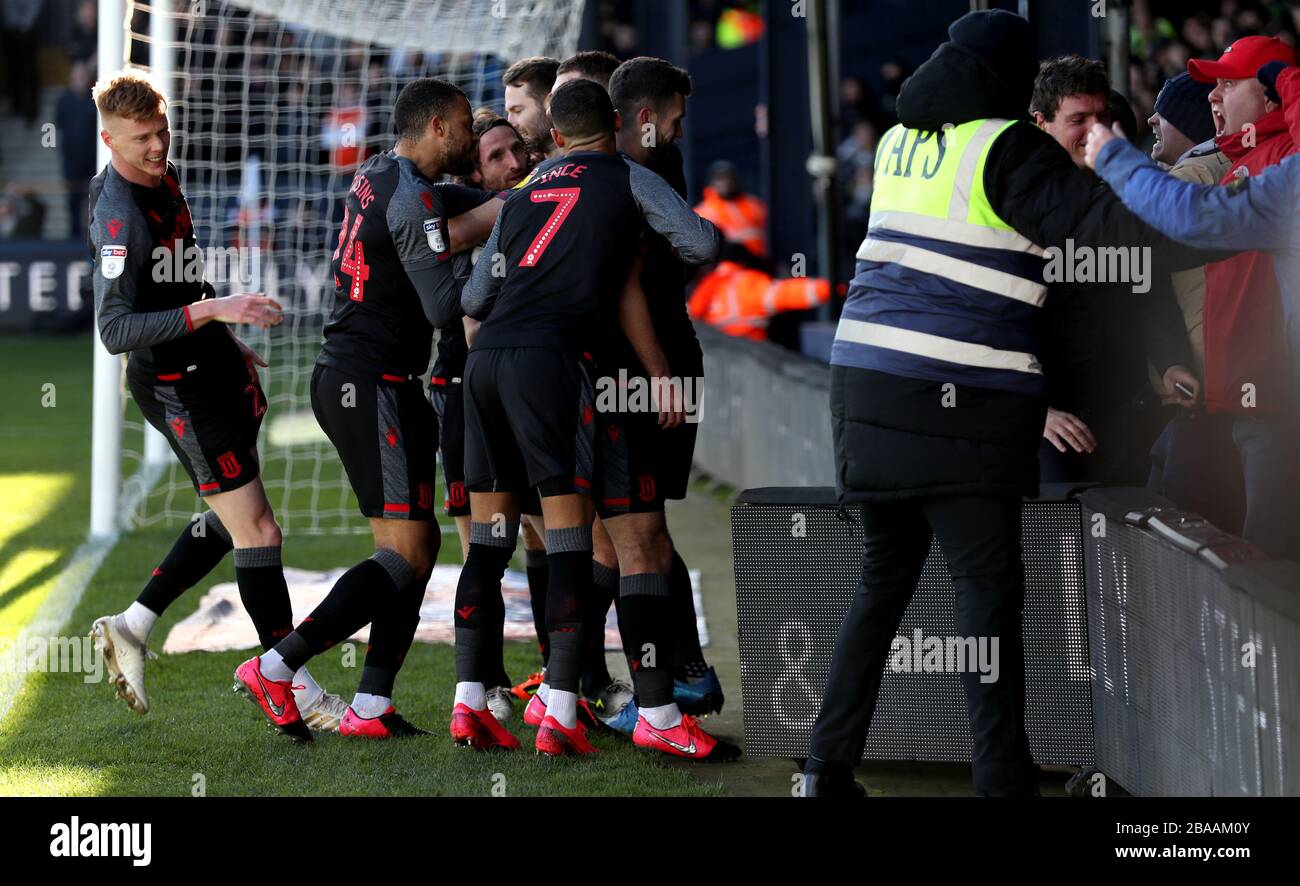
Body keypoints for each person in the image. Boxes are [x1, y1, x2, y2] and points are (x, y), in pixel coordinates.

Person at [805, 10, 1205, 797]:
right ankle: (999, 778)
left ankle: (826, 767)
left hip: (863, 390)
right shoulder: (1005, 144)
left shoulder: (899, 144)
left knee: (881, 585)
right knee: (985, 595)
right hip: (957, 404)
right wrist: (1233, 216)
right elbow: (1104, 231)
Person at [451, 79, 729, 759]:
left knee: (493, 540)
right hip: (559, 366)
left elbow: (476, 293)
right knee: (598, 541)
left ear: (551, 131)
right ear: (612, 121)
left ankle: (477, 701)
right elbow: (699, 245)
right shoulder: (626, 175)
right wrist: (621, 255)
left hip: (485, 366)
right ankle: (597, 711)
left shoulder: (522, 194)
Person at [233, 78, 501, 741]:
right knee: (409, 552)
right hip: (372, 383)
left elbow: (453, 208)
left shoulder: (382, 173)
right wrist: (498, 243)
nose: (474, 136)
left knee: (416, 545)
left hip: (362, 380)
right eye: (467, 124)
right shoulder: (411, 196)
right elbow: (444, 306)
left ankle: (371, 705)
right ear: (438, 127)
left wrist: (511, 201)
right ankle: (277, 665)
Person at [85, 70, 345, 731]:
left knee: (236, 521)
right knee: (258, 530)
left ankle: (132, 625)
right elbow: (115, 331)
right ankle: (293, 685)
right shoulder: (119, 216)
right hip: (178, 389)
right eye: (142, 138)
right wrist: (215, 310)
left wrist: (224, 332)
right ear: (108, 137)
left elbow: (184, 272)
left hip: (210, 365)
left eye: (162, 131)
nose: (156, 146)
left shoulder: (163, 178)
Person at [1087, 59, 1300, 561]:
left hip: (1239, 395)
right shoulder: (1254, 160)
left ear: (1270, 101)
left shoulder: (1240, 170)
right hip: (1231, 392)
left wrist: (1115, 161)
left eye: (1229, 84)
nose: (1214, 96)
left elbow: (1183, 222)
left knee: (1252, 563)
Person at [1029, 56, 1194, 485]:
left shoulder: (1127, 196)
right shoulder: (1013, 203)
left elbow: (1149, 288)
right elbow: (989, 318)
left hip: (1127, 413)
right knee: (1062, 548)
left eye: (1101, 117)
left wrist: (1173, 361)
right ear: (1041, 123)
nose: (1094, 131)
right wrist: (1034, 410)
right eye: (1078, 119)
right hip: (1048, 427)